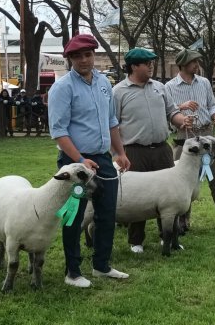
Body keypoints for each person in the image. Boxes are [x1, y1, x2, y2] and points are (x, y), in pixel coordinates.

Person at [48, 34, 130, 288]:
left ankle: (101, 266)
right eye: (77, 56)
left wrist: (121, 153)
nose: (84, 60)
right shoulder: (62, 88)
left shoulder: (104, 82)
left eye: (88, 54)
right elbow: (59, 132)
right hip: (75, 164)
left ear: (95, 55)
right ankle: (73, 272)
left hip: (103, 159)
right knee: (74, 216)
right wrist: (81, 160)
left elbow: (111, 122)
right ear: (70, 59)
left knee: (107, 214)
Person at [113, 47, 193, 254]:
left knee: (171, 195)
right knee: (137, 196)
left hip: (161, 149)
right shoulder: (118, 92)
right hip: (134, 151)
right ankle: (136, 240)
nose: (151, 66)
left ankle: (168, 236)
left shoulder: (159, 87)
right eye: (146, 63)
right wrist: (117, 153)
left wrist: (181, 120)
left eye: (151, 63)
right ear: (133, 66)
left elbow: (172, 112)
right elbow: (111, 124)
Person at [165, 49, 215, 233]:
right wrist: (181, 108)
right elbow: (167, 112)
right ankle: (183, 220)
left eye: (197, 62)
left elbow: (212, 103)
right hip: (184, 137)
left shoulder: (204, 82)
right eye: (193, 62)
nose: (197, 65)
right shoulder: (169, 87)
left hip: (208, 135)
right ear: (182, 65)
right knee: (182, 181)